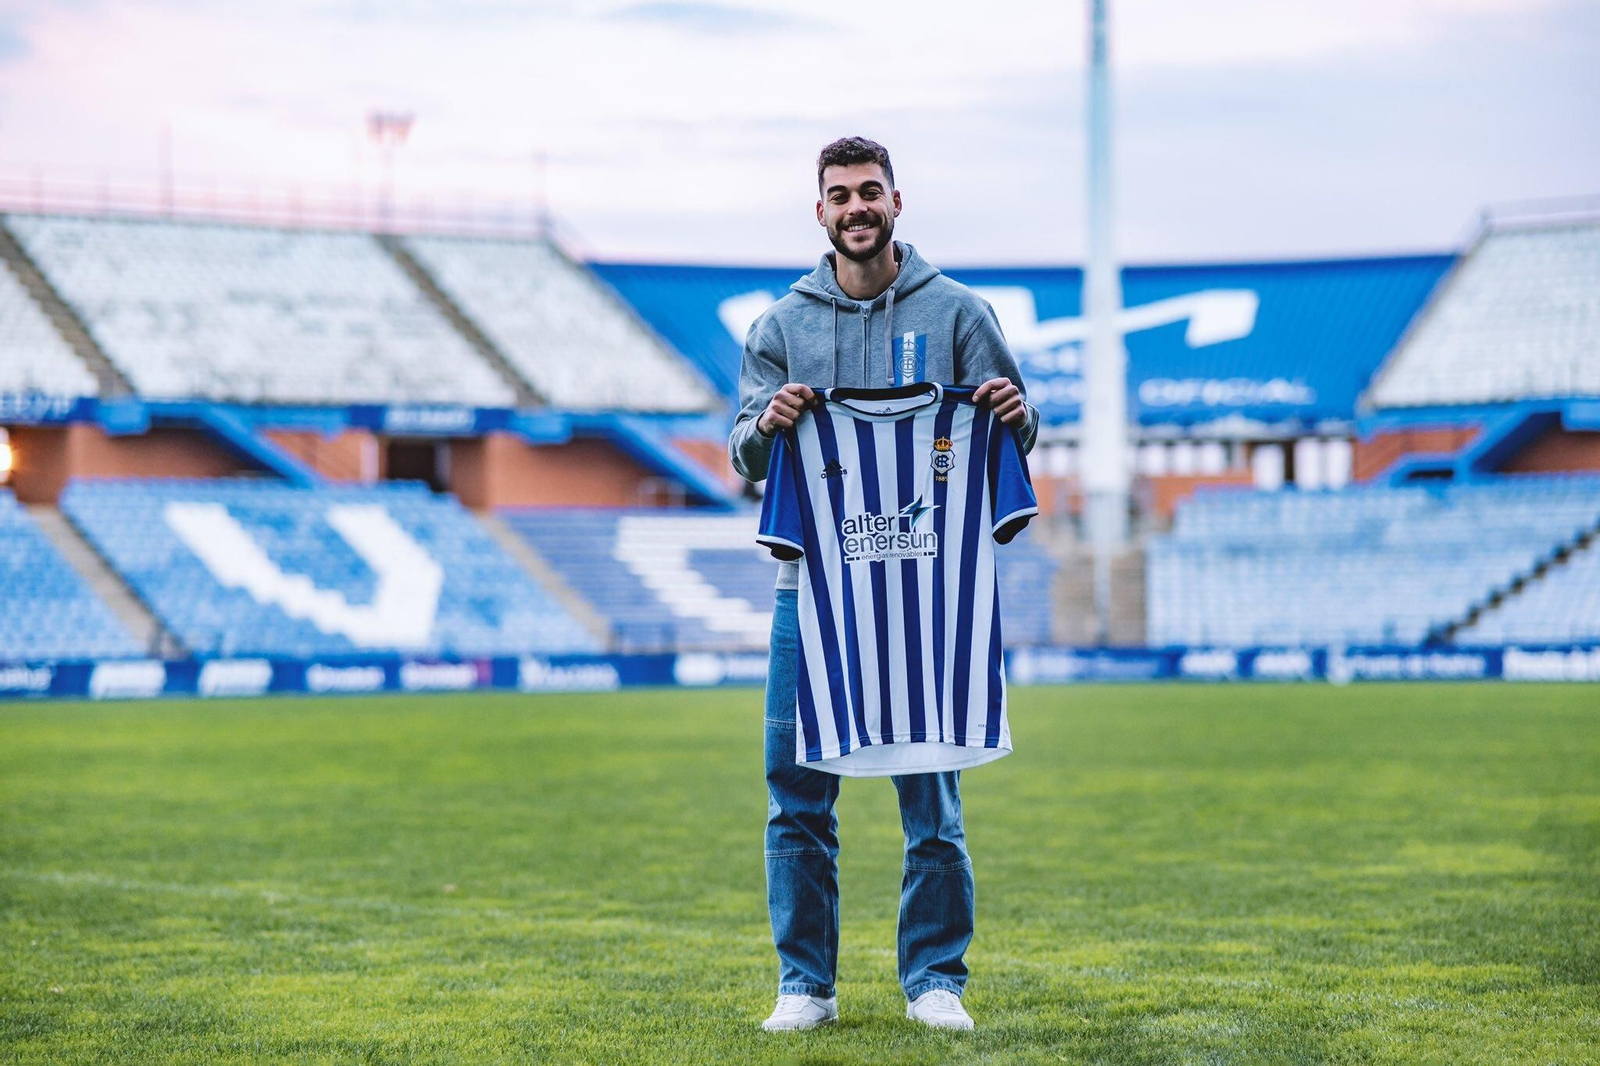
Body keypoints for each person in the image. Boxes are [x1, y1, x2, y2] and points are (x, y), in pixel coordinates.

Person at [729, 136, 1038, 1032]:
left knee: (930, 792)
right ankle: (805, 985)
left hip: (926, 595)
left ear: (898, 203)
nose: (855, 208)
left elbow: (1014, 437)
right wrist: (771, 423)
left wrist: (1018, 417)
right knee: (796, 793)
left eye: (870, 192)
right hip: (809, 594)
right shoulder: (780, 329)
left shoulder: (959, 313)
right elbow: (745, 453)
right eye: (839, 195)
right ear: (818, 212)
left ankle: (936, 980)